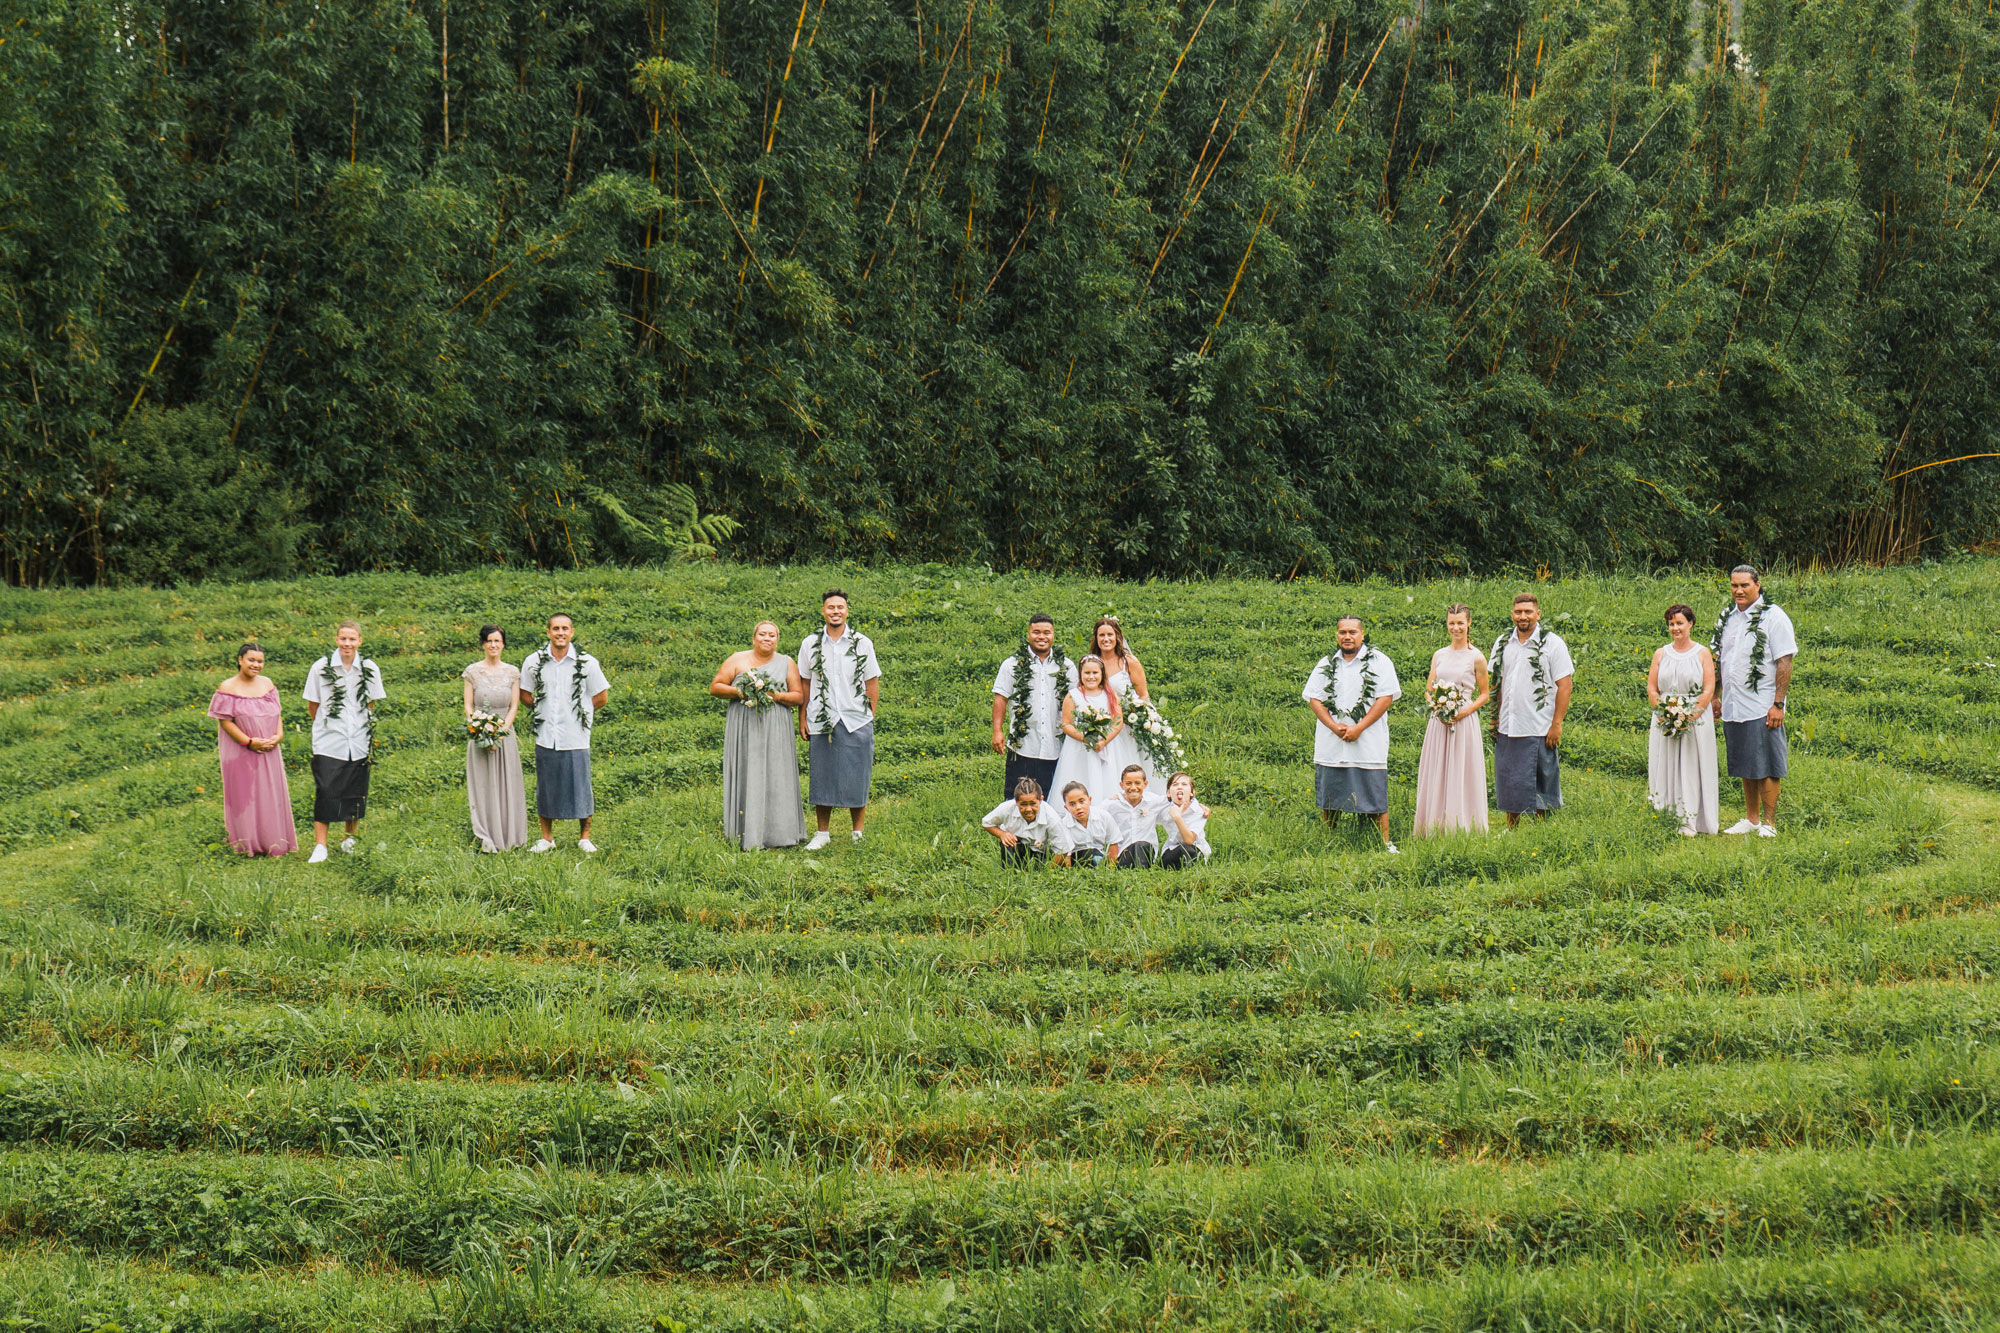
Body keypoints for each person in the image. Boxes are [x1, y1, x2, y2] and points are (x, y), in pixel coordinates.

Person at [1304, 616, 1403, 853]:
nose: (1347, 637)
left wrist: (1359, 727)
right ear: (1337, 635)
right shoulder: (1326, 664)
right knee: (1331, 791)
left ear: (1362, 634)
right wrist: (1332, 725)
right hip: (1332, 741)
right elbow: (1315, 699)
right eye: (1342, 632)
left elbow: (1385, 698)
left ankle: (1383, 843)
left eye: (1352, 632)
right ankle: (1329, 840)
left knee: (1374, 791)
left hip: (1368, 740)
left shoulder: (1380, 661)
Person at [1712, 565, 1797, 837]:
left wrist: (1778, 704)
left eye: (1744, 585)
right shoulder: (1728, 618)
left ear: (1758, 585)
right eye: (1734, 585)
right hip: (1734, 703)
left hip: (1762, 704)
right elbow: (1721, 660)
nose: (1738, 590)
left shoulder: (1774, 617)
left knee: (1767, 764)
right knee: (1746, 762)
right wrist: (1716, 695)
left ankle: (1769, 823)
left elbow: (1784, 661)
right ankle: (1751, 819)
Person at [712, 620, 809, 851]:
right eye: (763, 634)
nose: (767, 638)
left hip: (776, 727)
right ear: (754, 638)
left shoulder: (786, 662)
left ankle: (780, 832)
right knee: (749, 771)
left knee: (778, 773)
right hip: (745, 726)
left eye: (772, 635)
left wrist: (775, 695)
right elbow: (715, 687)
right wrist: (742, 691)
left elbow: (798, 696)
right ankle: (746, 832)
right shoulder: (737, 659)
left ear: (777, 639)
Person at [797, 590, 881, 850]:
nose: (835, 611)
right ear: (823, 611)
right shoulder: (810, 644)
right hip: (822, 717)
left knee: (859, 774)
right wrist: (803, 717)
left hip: (856, 717)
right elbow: (805, 682)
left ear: (847, 611)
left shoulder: (862, 643)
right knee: (822, 774)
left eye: (840, 607)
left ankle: (857, 832)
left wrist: (870, 715)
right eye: (830, 607)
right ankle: (822, 833)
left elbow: (871, 681)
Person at [519, 612, 610, 853]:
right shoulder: (533, 662)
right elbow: (525, 694)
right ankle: (547, 838)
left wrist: (580, 716)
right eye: (556, 628)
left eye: (565, 628)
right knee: (546, 785)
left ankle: (585, 837)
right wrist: (543, 711)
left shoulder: (587, 663)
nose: (560, 633)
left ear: (572, 632)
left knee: (581, 784)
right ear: (548, 632)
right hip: (547, 734)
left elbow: (600, 697)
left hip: (576, 735)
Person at [302, 620, 386, 863]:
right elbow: (313, 705)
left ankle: (350, 839)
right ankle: (320, 845)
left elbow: (370, 703)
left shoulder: (369, 668)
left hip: (359, 739)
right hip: (329, 740)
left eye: (352, 639)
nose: (347, 643)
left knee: (355, 790)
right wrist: (328, 726)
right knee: (326, 789)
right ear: (336, 640)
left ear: (360, 641)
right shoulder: (321, 668)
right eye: (343, 639)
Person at [1489, 593, 1575, 829]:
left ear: (1538, 614)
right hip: (1509, 723)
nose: (1523, 616)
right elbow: (1497, 682)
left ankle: (1540, 830)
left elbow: (1564, 685)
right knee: (1509, 778)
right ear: (1512, 614)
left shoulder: (1553, 643)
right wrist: (1495, 718)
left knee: (1541, 778)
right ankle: (1511, 827)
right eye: (1518, 612)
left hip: (1539, 724)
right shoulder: (1503, 642)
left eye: (1528, 612)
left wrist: (1557, 724)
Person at [206, 642, 297, 857]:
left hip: (269, 749)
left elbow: (277, 711)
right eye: (251, 660)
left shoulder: (267, 684)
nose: (256, 664)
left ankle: (273, 841)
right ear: (240, 660)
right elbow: (225, 721)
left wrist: (279, 735)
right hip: (242, 750)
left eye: (260, 661)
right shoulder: (227, 687)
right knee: (245, 794)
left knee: (270, 792)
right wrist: (248, 741)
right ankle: (246, 843)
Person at [1412, 604, 1491, 836]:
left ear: (1469, 623)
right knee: (1437, 768)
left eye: (1460, 623)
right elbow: (1429, 688)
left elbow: (1485, 694)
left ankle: (1463, 826)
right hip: (1439, 720)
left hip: (1463, 719)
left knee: (1462, 769)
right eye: (1451, 623)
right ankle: (1434, 823)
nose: (1455, 628)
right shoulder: (1439, 654)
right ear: (1446, 624)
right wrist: (1436, 705)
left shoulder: (1476, 657)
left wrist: (1462, 712)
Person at [1649, 603, 1720, 835]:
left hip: (1695, 717)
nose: (1675, 628)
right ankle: (1666, 812)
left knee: (1692, 764)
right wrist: (1663, 713)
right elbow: (1652, 688)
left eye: (1679, 623)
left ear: (1690, 624)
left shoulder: (1702, 653)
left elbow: (1709, 687)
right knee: (1666, 762)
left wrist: (1691, 715)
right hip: (1665, 716)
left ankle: (1693, 818)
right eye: (1671, 623)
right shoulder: (1661, 653)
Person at [462, 625, 528, 853]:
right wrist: (480, 729)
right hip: (479, 735)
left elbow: (514, 706)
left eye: (497, 641)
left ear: (503, 644)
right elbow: (469, 705)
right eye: (489, 641)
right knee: (483, 784)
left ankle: (509, 834)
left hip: (504, 735)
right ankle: (485, 834)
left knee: (506, 783)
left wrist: (500, 732)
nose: (493, 645)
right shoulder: (472, 672)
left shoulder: (512, 672)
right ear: (483, 644)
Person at [992, 615, 1073, 800]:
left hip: (1055, 745)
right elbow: (1000, 698)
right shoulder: (1011, 664)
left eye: (1046, 632)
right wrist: (997, 731)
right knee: (1016, 798)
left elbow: (1076, 700)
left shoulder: (1066, 666)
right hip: (1023, 745)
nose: (1041, 636)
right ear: (1028, 633)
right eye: (1036, 632)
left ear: (1053, 635)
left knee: (1051, 798)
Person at [1091, 617, 1160, 791]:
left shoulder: (1128, 662)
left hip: (1127, 726)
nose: (1106, 639)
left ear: (1117, 637)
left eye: (1110, 634)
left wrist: (1143, 721)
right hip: (1101, 724)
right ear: (1096, 638)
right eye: (1101, 635)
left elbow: (1143, 694)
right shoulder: (1092, 662)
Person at [1049, 654, 1127, 807]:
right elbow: (1066, 724)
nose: (1091, 677)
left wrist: (1103, 741)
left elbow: (1118, 721)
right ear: (1080, 674)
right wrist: (1086, 738)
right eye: (1087, 673)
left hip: (1107, 745)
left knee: (1107, 778)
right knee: (1081, 776)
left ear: (1102, 674)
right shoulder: (1073, 696)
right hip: (1080, 748)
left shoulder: (1110, 695)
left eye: (1095, 673)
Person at [982, 778, 1063, 866]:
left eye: (1033, 804)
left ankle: (1038, 867)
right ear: (1016, 801)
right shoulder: (1007, 808)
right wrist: (1002, 834)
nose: (1028, 809)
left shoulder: (1051, 817)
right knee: (1008, 843)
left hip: (1042, 851)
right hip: (1017, 845)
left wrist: (1048, 872)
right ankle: (1011, 873)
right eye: (1023, 804)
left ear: (1041, 800)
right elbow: (987, 823)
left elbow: (1063, 849)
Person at [1107, 764, 1166, 867]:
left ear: (1145, 784)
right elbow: (1092, 814)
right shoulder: (1113, 804)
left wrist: (1199, 805)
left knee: (1141, 845)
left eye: (1137, 783)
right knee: (1134, 848)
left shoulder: (1154, 801)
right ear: (1122, 785)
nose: (1133, 787)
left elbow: (1176, 801)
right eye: (1128, 783)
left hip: (1147, 854)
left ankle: (1141, 874)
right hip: (1123, 856)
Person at [1053, 781, 1119, 867]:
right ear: (1066, 808)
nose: (1078, 807)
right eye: (1072, 804)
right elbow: (1067, 856)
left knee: (1096, 857)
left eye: (1081, 801)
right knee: (1088, 855)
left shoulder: (1103, 816)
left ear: (1089, 800)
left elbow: (1113, 843)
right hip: (1077, 860)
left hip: (1099, 857)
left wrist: (1111, 868)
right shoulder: (1064, 825)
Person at [1159, 771, 1211, 868]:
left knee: (1187, 850)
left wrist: (1177, 817)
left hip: (1194, 848)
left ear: (1192, 792)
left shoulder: (1198, 811)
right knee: (1168, 858)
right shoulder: (1164, 807)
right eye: (1175, 784)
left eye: (1184, 784)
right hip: (1172, 848)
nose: (1179, 787)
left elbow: (1189, 840)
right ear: (1168, 793)